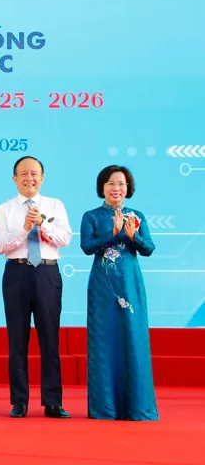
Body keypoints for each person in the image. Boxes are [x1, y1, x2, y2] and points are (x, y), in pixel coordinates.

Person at [0, 156, 72, 419]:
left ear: (42, 177)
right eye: (24, 174)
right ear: (14, 179)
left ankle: (53, 402)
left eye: (34, 173)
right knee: (17, 339)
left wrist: (43, 224)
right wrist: (24, 229)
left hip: (47, 272)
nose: (29, 178)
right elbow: (0, 245)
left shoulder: (55, 205)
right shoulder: (4, 209)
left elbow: (65, 239)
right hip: (16, 272)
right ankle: (19, 402)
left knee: (50, 338)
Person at [80, 165, 157, 421]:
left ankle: (138, 407)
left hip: (131, 284)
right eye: (111, 183)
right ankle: (106, 408)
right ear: (102, 187)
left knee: (133, 338)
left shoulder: (137, 216)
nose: (116, 188)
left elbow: (148, 248)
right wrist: (112, 233)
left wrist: (133, 236)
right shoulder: (91, 216)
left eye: (121, 184)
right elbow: (87, 247)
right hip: (103, 287)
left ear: (128, 188)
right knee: (105, 340)